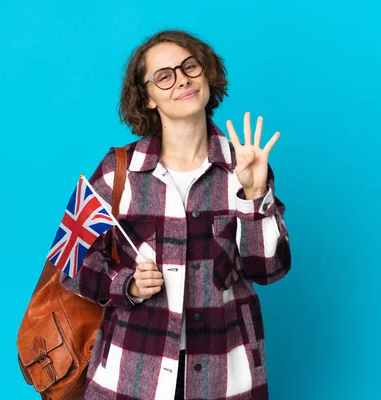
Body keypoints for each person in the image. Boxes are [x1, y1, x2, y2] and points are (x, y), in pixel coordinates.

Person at [60, 29, 291, 400]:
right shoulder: (118, 170)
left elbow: (268, 270)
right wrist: (127, 285)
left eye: (190, 66)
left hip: (225, 375)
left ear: (206, 74)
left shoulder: (245, 164)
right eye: (164, 76)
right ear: (147, 97)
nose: (181, 78)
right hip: (132, 374)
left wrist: (254, 194)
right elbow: (71, 264)